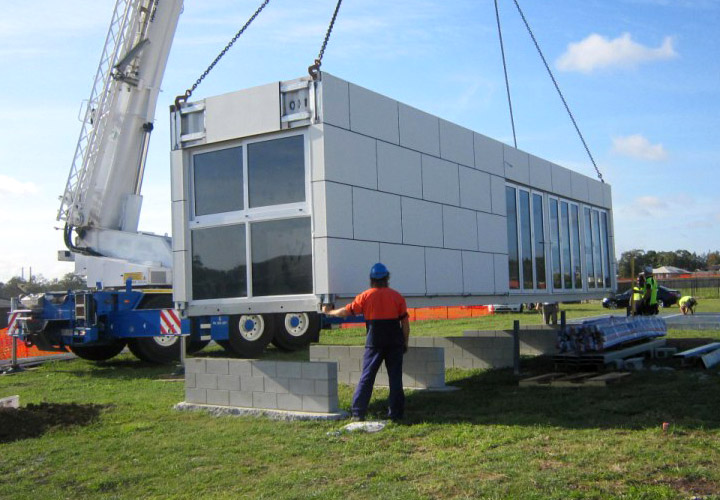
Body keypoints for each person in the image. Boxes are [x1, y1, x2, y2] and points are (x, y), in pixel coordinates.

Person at [323, 262, 410, 422]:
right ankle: (396, 415)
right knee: (395, 378)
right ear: (387, 278)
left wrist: (329, 312)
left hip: (374, 343)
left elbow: (346, 311)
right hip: (394, 342)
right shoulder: (397, 297)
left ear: (371, 279)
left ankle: (358, 413)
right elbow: (405, 323)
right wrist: (405, 343)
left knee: (367, 377)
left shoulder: (365, 296)